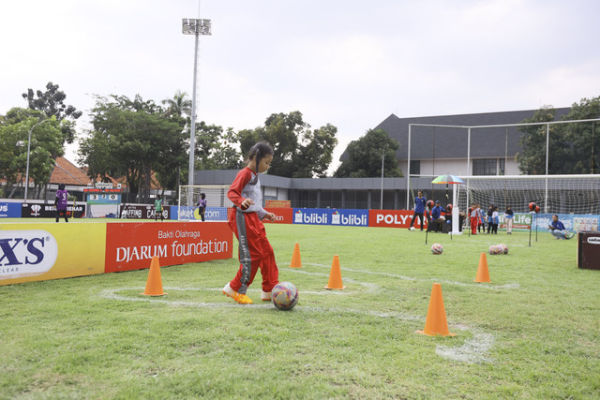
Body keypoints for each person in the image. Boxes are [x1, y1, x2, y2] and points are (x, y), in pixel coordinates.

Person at [222, 141, 278, 305]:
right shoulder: (245, 173)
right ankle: (235, 289)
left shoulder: (256, 176)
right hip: (241, 218)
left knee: (267, 252)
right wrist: (241, 201)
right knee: (252, 256)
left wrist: (265, 214)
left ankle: (269, 289)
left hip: (254, 218)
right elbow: (232, 192)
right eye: (266, 162)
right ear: (256, 158)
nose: (267, 166)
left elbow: (254, 203)